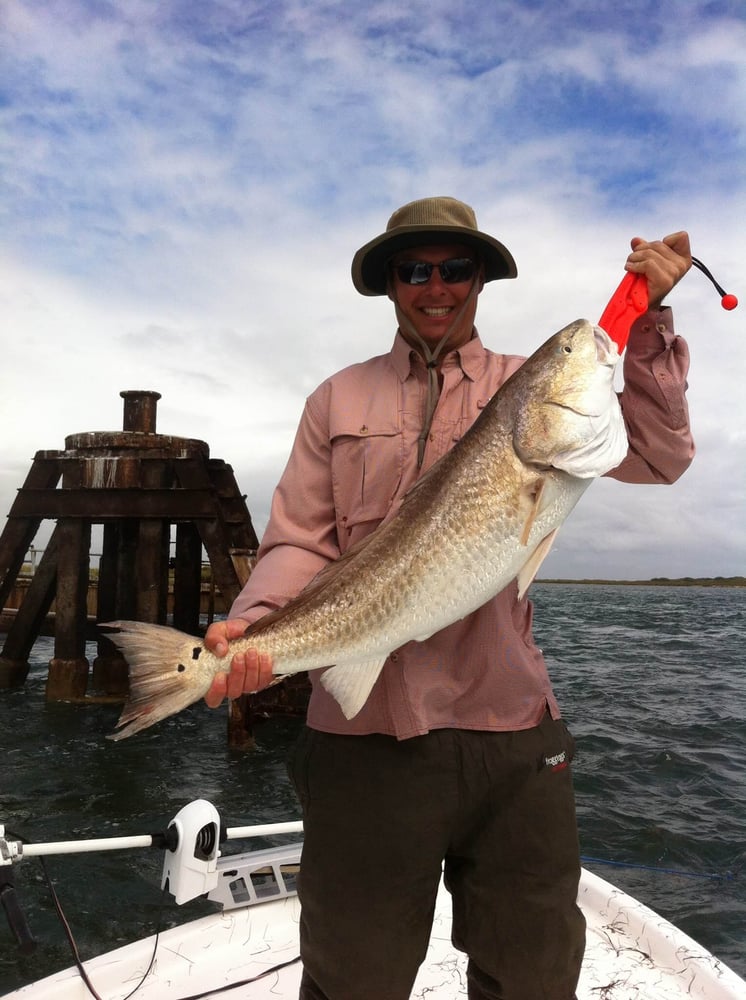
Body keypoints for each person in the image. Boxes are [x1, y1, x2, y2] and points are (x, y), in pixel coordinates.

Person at [203, 197, 694, 1000]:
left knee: (534, 976)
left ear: (480, 280)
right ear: (390, 285)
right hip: (361, 739)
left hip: (511, 735)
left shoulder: (525, 389)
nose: (436, 287)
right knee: (352, 980)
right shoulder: (338, 399)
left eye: (455, 268)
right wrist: (256, 629)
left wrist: (648, 320)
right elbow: (298, 540)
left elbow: (661, 456)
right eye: (415, 270)